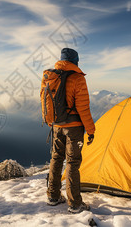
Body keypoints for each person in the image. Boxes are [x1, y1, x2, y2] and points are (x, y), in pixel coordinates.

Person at [42, 47, 96, 213]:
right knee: (72, 163)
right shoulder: (77, 78)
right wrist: (91, 130)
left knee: (56, 159)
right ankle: (75, 203)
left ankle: (53, 196)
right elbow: (83, 108)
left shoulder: (51, 77)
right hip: (73, 128)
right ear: (75, 61)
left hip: (56, 125)